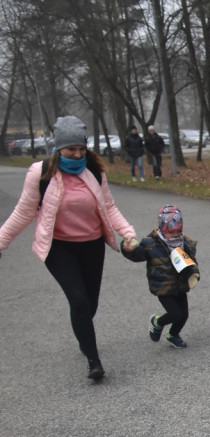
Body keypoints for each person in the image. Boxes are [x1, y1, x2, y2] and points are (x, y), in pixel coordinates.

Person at [0, 115, 138, 380]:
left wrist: (128, 233)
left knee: (89, 304)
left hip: (92, 245)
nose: (76, 155)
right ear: (58, 148)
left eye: (81, 149)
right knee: (78, 299)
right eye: (71, 149)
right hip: (59, 247)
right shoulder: (41, 173)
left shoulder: (95, 171)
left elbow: (109, 207)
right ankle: (93, 360)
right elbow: (23, 213)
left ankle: (82, 332)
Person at [121, 205, 198, 349]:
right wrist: (128, 249)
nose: (176, 235)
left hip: (180, 285)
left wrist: (193, 273)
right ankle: (157, 323)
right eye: (172, 232)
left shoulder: (184, 243)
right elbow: (137, 256)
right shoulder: (151, 244)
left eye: (178, 231)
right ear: (163, 229)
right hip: (163, 286)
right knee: (175, 314)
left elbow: (191, 261)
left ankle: (173, 335)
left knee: (184, 315)